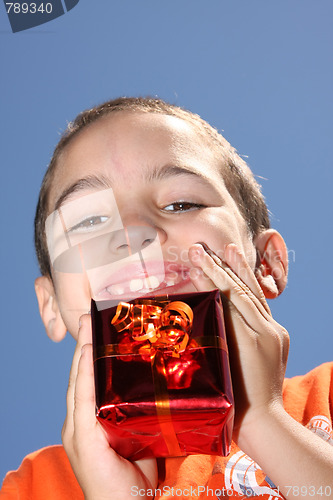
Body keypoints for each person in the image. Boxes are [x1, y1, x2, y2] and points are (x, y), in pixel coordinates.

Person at [1, 97, 333, 500]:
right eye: (89, 222)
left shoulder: (327, 395)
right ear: (51, 306)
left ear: (266, 264)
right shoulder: (33, 488)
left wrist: (261, 419)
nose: (132, 230)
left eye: (181, 203)